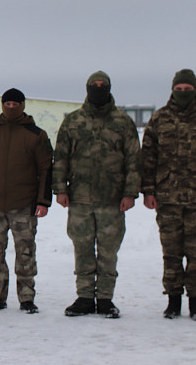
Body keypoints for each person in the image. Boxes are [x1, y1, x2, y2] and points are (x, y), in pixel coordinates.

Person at [53, 71, 141, 319]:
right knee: (82, 248)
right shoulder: (73, 121)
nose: (99, 88)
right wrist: (60, 189)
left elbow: (134, 160)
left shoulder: (122, 122)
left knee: (108, 250)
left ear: (110, 88)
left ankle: (105, 298)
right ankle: (83, 297)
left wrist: (130, 193)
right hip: (80, 198)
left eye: (103, 86)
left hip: (112, 200)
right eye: (95, 85)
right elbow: (60, 157)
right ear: (88, 88)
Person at [0, 88, 53, 314]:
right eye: (8, 104)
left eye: (16, 104)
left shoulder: (36, 135)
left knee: (25, 253)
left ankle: (27, 298)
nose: (12, 107)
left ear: (23, 105)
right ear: (2, 105)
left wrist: (43, 201)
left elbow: (46, 169)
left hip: (24, 205)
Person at [142, 68, 196, 320]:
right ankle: (174, 300)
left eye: (187, 90)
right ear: (172, 90)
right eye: (179, 90)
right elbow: (147, 157)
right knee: (171, 253)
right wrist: (148, 191)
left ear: (195, 89)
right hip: (167, 198)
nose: (183, 93)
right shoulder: (160, 119)